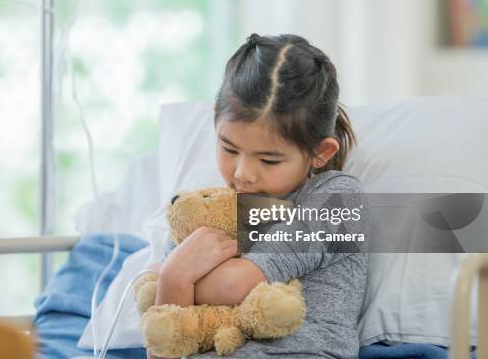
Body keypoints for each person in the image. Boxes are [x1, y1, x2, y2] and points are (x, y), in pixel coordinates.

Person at [148, 33, 368, 359]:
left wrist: (174, 276)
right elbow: (166, 345)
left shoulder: (340, 201)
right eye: (229, 148)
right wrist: (174, 278)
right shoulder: (201, 214)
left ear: (320, 153)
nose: (242, 173)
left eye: (269, 160)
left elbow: (237, 285)